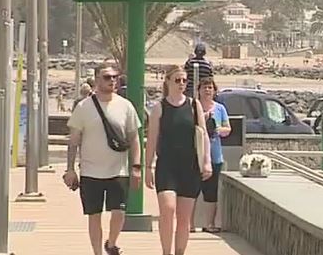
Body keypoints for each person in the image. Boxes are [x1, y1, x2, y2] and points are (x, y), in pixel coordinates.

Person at [64, 63, 143, 255]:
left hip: (118, 170)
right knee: (94, 215)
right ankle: (97, 252)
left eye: (115, 77)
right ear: (97, 80)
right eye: (107, 77)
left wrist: (136, 167)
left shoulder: (126, 106)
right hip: (91, 171)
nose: (112, 81)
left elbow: (134, 138)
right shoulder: (83, 107)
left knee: (119, 212)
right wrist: (70, 169)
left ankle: (111, 242)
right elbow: (74, 141)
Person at [145, 65, 212, 255]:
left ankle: (179, 252)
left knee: (184, 218)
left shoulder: (194, 105)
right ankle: (166, 252)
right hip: (166, 166)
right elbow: (151, 140)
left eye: (184, 80)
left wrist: (206, 161)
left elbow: (203, 134)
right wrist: (147, 166)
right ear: (167, 81)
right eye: (177, 80)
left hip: (189, 167)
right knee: (167, 209)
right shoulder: (159, 108)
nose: (181, 84)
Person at [194, 77, 231, 233]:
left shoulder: (220, 108)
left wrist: (218, 130)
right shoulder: (193, 107)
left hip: (215, 156)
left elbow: (227, 129)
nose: (207, 90)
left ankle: (209, 223)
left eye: (210, 87)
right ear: (199, 90)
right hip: (195, 155)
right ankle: (189, 224)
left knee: (211, 192)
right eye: (204, 87)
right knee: (192, 191)